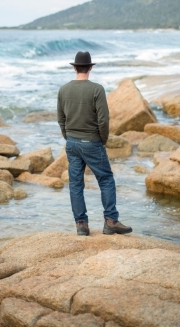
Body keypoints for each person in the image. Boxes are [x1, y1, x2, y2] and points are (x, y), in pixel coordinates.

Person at [57, 51, 132, 236]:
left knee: (75, 184)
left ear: (74, 67)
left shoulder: (63, 90)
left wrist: (69, 137)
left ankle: (81, 225)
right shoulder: (97, 89)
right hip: (92, 142)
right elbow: (103, 120)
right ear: (90, 68)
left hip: (72, 143)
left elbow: (61, 119)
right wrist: (102, 140)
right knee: (106, 180)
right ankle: (111, 221)